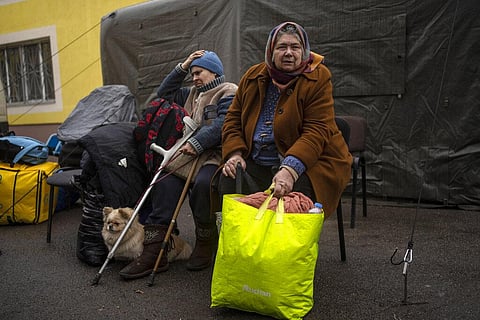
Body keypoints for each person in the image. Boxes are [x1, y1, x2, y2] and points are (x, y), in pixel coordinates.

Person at [120, 50, 237, 279]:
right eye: (191, 74)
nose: (194, 78)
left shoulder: (229, 91)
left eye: (198, 72)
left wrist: (197, 142)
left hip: (213, 154)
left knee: (203, 186)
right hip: (185, 153)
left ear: (214, 71)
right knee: (165, 183)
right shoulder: (191, 93)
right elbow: (164, 94)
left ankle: (205, 239)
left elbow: (224, 123)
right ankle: (155, 251)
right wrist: (182, 67)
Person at [220, 22, 352, 217]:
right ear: (271, 51)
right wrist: (235, 153)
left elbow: (316, 131)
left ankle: (285, 247)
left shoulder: (318, 77)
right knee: (227, 180)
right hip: (257, 159)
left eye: (295, 47)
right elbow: (232, 119)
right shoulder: (253, 76)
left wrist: (290, 169)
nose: (289, 53)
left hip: (311, 161)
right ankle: (235, 243)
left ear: (304, 50)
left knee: (294, 202)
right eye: (282, 47)